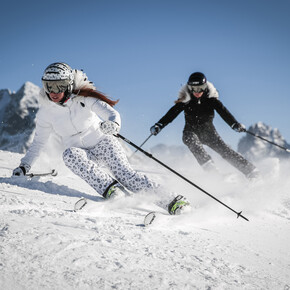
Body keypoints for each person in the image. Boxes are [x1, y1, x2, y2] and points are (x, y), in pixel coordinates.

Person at [12, 62, 189, 215]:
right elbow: (38, 142)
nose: (53, 91)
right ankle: (112, 189)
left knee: (126, 174)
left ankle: (173, 201)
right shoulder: (46, 113)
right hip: (82, 152)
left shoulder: (83, 99)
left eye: (59, 85)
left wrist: (113, 124)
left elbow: (111, 113)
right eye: (49, 86)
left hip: (102, 142)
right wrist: (24, 166)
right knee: (69, 154)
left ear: (69, 84)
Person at [150, 72, 259, 179]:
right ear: (189, 88)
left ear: (205, 87)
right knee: (189, 139)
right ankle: (210, 168)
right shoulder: (185, 100)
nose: (197, 92)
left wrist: (235, 124)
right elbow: (171, 114)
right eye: (194, 88)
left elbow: (224, 112)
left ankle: (251, 172)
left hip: (209, 132)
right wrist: (159, 125)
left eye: (200, 88)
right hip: (190, 131)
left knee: (225, 151)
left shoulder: (211, 99)